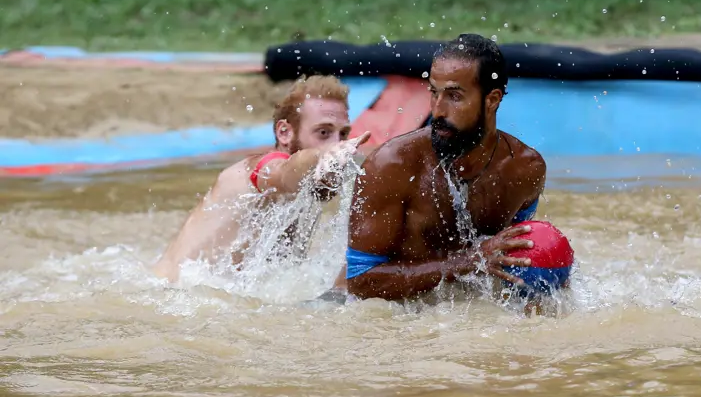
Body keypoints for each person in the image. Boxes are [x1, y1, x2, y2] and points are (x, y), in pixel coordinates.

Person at [320, 33, 547, 303]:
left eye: (454, 96)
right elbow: (359, 283)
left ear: (492, 99)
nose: (438, 110)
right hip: (351, 308)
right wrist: (469, 261)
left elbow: (515, 260)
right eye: (434, 93)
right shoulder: (391, 165)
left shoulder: (524, 169)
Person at [153, 75, 370, 282]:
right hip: (168, 298)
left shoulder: (302, 196)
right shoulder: (260, 170)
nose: (339, 145)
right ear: (284, 132)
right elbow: (287, 172)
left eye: (343, 135)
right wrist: (322, 155)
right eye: (323, 133)